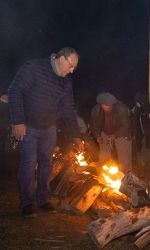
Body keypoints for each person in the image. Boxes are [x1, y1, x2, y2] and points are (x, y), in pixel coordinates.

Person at [8, 47, 84, 217]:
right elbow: (14, 91)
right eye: (71, 66)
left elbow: (68, 110)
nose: (71, 71)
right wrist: (18, 121)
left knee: (47, 164)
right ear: (61, 59)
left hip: (49, 128)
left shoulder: (66, 82)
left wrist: (76, 136)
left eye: (74, 68)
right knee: (29, 165)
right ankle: (27, 203)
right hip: (28, 127)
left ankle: (43, 199)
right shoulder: (34, 68)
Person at [89, 92, 132, 174]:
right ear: (101, 104)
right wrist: (97, 136)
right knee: (104, 156)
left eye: (109, 105)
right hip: (104, 132)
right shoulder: (96, 110)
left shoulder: (121, 109)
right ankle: (104, 175)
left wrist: (114, 135)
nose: (107, 107)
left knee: (124, 158)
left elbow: (126, 126)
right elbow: (94, 125)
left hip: (121, 132)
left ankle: (126, 177)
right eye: (105, 105)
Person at [132, 92, 150, 204]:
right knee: (146, 166)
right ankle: (149, 193)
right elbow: (139, 127)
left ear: (139, 102)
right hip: (146, 141)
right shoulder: (140, 111)